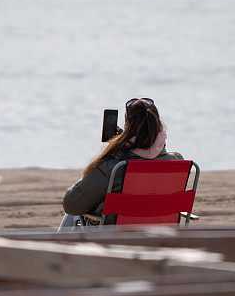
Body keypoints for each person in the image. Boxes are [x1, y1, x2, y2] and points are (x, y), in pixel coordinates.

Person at [59, 98, 183, 230]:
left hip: (114, 239)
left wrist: (117, 144)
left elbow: (71, 205)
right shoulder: (177, 161)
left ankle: (57, 249)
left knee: (73, 212)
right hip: (160, 235)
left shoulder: (113, 166)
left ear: (128, 127)